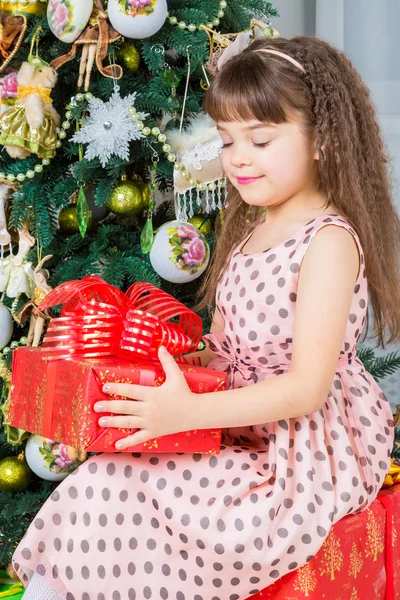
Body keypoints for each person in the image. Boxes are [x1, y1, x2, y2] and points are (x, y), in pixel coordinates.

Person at [13, 35, 400, 600]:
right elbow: (225, 343)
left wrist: (189, 409)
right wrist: (187, 366)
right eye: (226, 140)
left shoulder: (328, 241)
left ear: (323, 140)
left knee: (126, 493)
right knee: (103, 477)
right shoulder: (248, 230)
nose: (238, 157)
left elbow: (306, 389)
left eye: (261, 139)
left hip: (299, 453)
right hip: (233, 419)